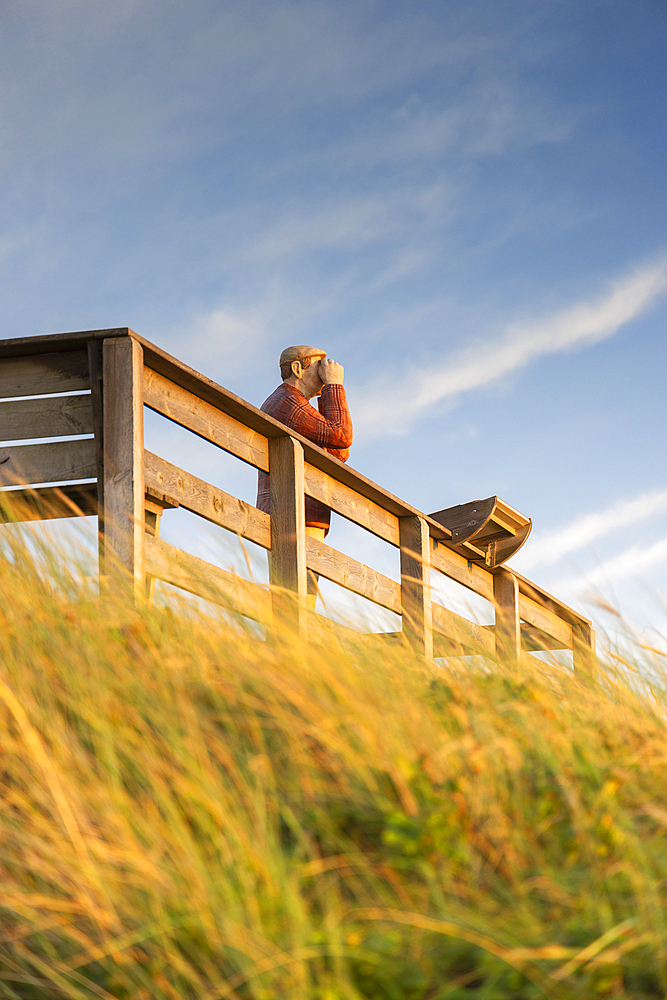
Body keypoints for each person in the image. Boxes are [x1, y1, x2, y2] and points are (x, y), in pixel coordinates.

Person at [257, 345, 353, 607]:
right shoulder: (288, 402)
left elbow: (338, 451)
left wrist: (325, 396)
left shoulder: (294, 404)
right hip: (293, 510)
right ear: (297, 368)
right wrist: (334, 386)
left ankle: (291, 648)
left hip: (300, 510)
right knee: (295, 602)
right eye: (318, 366)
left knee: (300, 601)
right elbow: (342, 435)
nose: (324, 372)